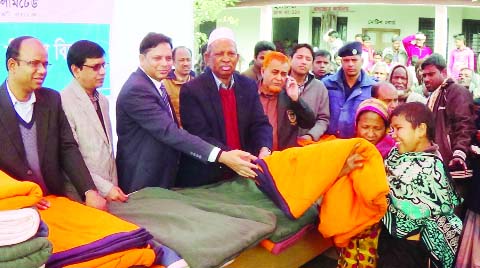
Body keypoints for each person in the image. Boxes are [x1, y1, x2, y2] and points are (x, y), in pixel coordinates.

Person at [116, 32, 258, 193]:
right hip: (142, 178)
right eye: (157, 58)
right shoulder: (137, 90)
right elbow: (169, 132)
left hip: (162, 176)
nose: (164, 63)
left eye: (168, 58)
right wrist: (222, 156)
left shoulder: (156, 85)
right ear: (142, 59)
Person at [0, 36, 107, 210]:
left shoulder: (51, 100)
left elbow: (67, 148)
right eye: (34, 63)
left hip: (55, 200)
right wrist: (21, 198)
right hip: (15, 207)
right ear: (12, 65)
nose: (42, 70)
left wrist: (89, 191)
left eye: (45, 64)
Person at [177, 27, 272, 187]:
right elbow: (199, 135)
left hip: (245, 173)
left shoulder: (248, 85)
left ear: (238, 57)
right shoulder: (192, 90)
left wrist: (264, 149)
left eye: (231, 54)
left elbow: (260, 123)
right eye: (219, 54)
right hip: (207, 175)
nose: (226, 59)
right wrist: (231, 158)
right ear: (207, 58)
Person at [378, 102, 462, 268]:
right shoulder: (397, 155)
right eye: (391, 129)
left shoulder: (430, 167)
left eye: (398, 128)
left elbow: (395, 193)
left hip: (411, 250)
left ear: (421, 130)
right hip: (392, 242)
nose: (392, 134)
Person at [61, 40, 127, 202]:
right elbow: (71, 158)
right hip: (81, 194)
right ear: (76, 70)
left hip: (110, 192)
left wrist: (111, 186)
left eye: (104, 65)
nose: (103, 72)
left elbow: (106, 149)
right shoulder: (63, 102)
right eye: (96, 67)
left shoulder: (103, 101)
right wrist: (104, 188)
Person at [337, 98, 395, 268]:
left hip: (378, 224)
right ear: (356, 126)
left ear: (386, 129)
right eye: (365, 127)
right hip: (351, 219)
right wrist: (345, 169)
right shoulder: (350, 148)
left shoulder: (392, 153)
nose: (370, 134)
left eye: (377, 128)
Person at [258, 51, 315, 150]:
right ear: (263, 72)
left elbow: (308, 123)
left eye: (283, 74)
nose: (279, 78)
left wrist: (296, 99)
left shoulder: (288, 97)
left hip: (283, 158)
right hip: (253, 158)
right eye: (274, 72)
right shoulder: (249, 93)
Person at [323, 41, 375, 138]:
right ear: (341, 62)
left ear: (362, 61)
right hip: (330, 141)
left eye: (354, 60)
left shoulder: (373, 87)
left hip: (357, 142)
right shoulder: (327, 84)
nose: (350, 64)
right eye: (346, 60)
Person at [289, 44, 330, 143]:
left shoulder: (319, 87)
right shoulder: (280, 83)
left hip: (307, 144)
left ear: (312, 63)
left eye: (308, 59)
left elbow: (323, 118)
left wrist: (311, 135)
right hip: (282, 143)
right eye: (299, 57)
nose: (303, 62)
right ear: (290, 59)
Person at [164, 46, 195, 126]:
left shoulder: (199, 84)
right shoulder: (164, 84)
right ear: (173, 62)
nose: (186, 63)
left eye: (188, 60)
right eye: (182, 60)